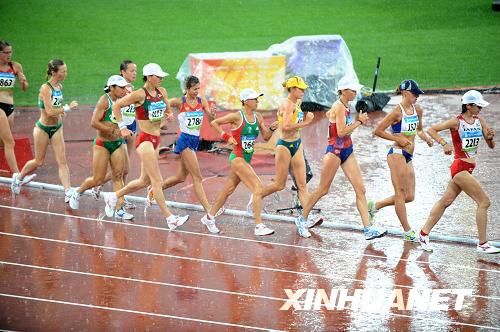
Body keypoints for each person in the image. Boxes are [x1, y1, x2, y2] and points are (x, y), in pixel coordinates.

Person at [297, 76, 387, 240]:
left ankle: (368, 229)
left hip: (347, 150)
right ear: (343, 91)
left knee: (361, 190)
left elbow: (336, 124)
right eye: (353, 90)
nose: (355, 93)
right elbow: (340, 132)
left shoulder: (344, 106)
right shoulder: (339, 106)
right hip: (335, 153)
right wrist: (359, 122)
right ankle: (301, 220)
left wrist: (334, 117)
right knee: (323, 190)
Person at [102, 63, 188, 229]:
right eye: (158, 76)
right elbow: (116, 106)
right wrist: (122, 127)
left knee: (143, 181)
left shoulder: (162, 92)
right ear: (149, 77)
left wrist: (168, 116)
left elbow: (167, 110)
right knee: (157, 180)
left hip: (156, 140)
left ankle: (113, 197)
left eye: (162, 76)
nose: (161, 78)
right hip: (145, 140)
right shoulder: (139, 94)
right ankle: (170, 219)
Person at [419, 90, 499, 254]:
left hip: (468, 169)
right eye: (478, 106)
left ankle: (423, 234)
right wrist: (443, 143)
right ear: (468, 106)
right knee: (484, 202)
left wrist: (490, 138)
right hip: (460, 168)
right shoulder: (456, 122)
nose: (480, 109)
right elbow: (432, 129)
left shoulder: (480, 121)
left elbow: (491, 146)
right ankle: (483, 244)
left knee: (445, 201)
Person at [201, 88, 277, 235]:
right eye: (255, 99)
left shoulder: (258, 117)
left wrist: (272, 129)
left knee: (227, 190)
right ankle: (259, 226)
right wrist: (226, 137)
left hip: (246, 159)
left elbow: (266, 137)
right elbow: (215, 123)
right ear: (246, 101)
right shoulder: (236, 116)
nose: (257, 101)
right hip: (237, 158)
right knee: (258, 188)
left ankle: (209, 217)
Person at [368, 79, 433, 241]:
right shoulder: (397, 112)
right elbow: (378, 131)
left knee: (409, 196)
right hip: (396, 153)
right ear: (405, 93)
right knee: (400, 193)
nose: (417, 96)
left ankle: (374, 206)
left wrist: (427, 139)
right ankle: (407, 231)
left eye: (418, 94)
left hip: (408, 156)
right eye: (414, 94)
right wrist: (398, 139)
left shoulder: (417, 110)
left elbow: (419, 130)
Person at [257, 76, 320, 237]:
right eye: (300, 89)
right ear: (292, 89)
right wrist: (306, 123)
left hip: (296, 144)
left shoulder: (296, 104)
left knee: (302, 185)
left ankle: (305, 219)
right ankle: (257, 197)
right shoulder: (287, 105)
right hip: (284, 147)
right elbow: (285, 128)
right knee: (279, 184)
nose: (303, 91)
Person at [146, 76, 216, 216]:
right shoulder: (180, 102)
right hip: (184, 140)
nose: (197, 91)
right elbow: (162, 104)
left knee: (181, 177)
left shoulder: (202, 102)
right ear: (187, 89)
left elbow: (211, 120)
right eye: (194, 89)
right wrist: (163, 120)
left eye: (198, 88)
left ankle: (155, 189)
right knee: (197, 177)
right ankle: (209, 210)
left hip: (194, 141)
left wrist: (212, 114)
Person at [11, 59, 78, 202]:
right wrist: (67, 108)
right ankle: (19, 178)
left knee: (62, 161)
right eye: (63, 71)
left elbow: (56, 108)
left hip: (57, 128)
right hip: (43, 129)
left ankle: (68, 191)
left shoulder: (59, 86)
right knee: (38, 161)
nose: (66, 73)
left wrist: (61, 112)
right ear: (54, 72)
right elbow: (48, 111)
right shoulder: (45, 88)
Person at [69, 75, 132, 220]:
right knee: (98, 180)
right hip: (102, 144)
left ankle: (119, 208)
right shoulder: (104, 101)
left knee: (118, 175)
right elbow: (94, 122)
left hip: (117, 143)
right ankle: (78, 191)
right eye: (121, 87)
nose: (124, 90)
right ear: (112, 88)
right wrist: (111, 130)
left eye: (125, 87)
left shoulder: (124, 100)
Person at [91, 60, 137, 210]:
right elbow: (112, 108)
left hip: (131, 126)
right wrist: (118, 127)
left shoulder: (132, 88)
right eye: (131, 71)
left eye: (135, 71)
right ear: (122, 72)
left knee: (125, 169)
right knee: (122, 169)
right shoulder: (119, 90)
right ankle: (113, 195)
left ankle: (118, 196)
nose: (134, 73)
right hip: (121, 128)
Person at [0, 40, 31, 179]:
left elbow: (25, 89)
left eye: (10, 52)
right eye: (6, 52)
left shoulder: (16, 66)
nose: (9, 55)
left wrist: (23, 81)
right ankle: (17, 176)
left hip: (10, 107)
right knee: (9, 142)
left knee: (2, 142)